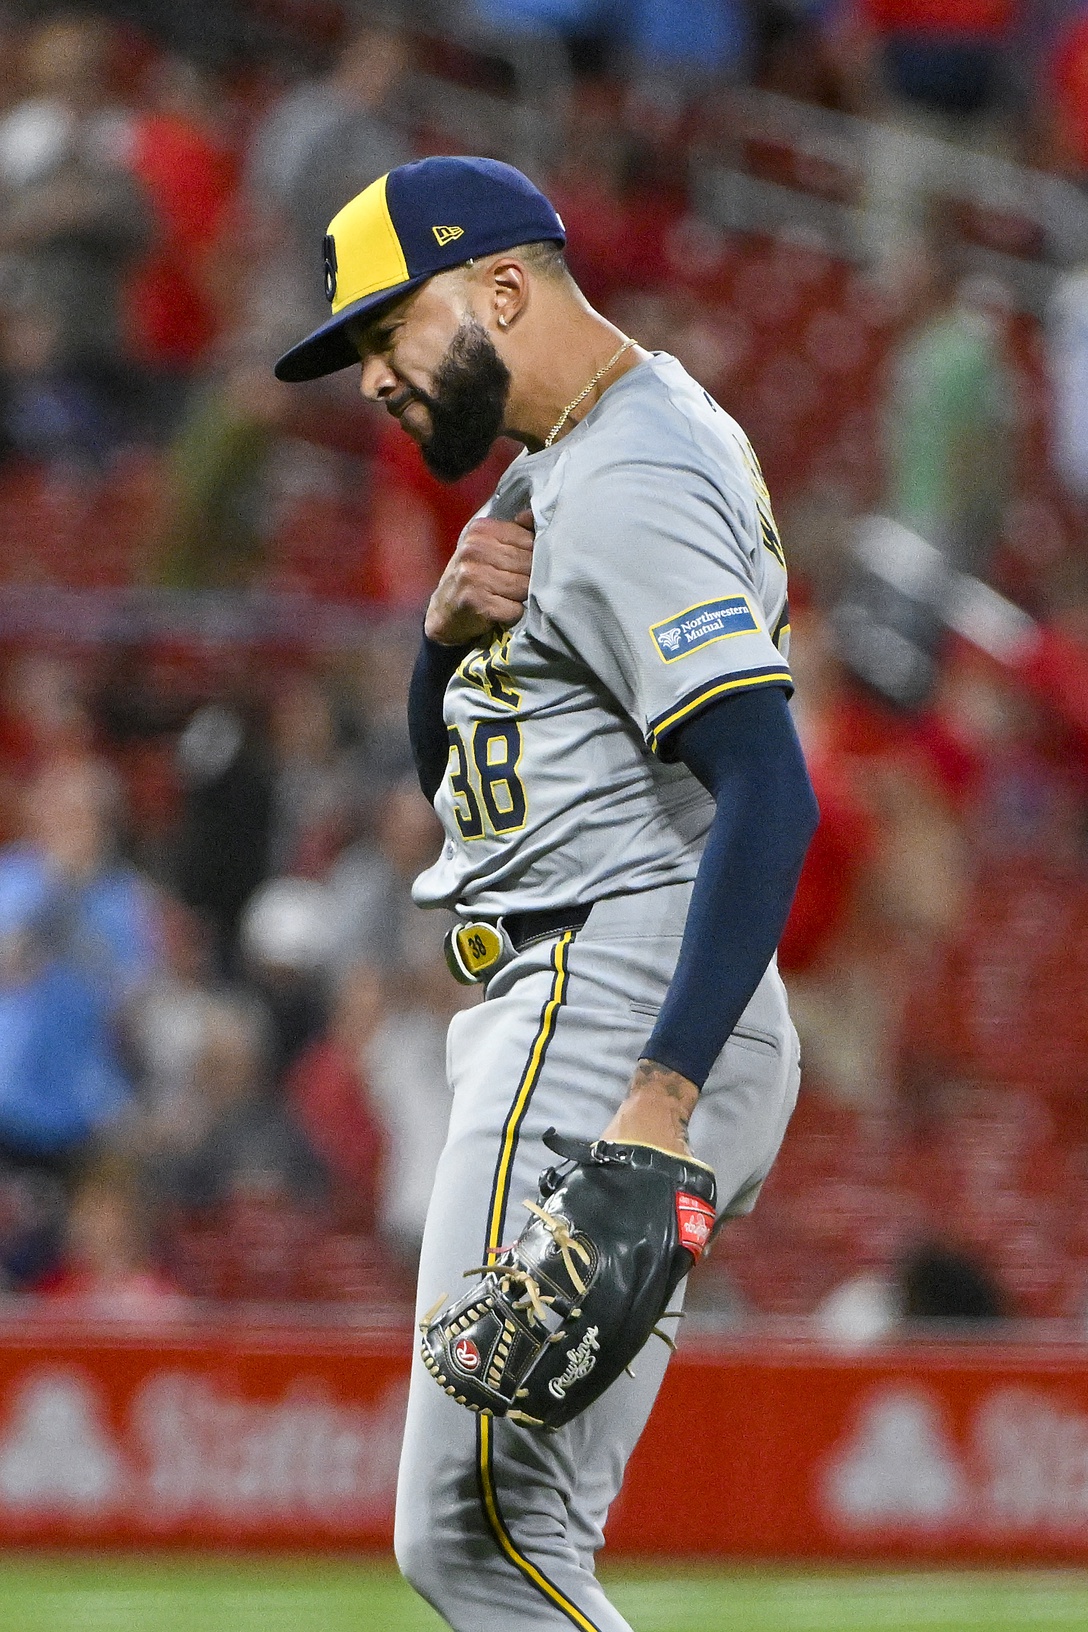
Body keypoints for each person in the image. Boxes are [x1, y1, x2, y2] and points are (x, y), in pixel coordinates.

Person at [275, 155, 817, 1632]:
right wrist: (440, 654)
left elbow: (772, 787)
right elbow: (473, 801)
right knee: (516, 1538)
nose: (375, 380)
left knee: (476, 1543)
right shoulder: (565, 460)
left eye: (390, 332)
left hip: (613, 992)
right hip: (592, 974)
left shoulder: (629, 473)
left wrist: (657, 1097)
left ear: (502, 287)